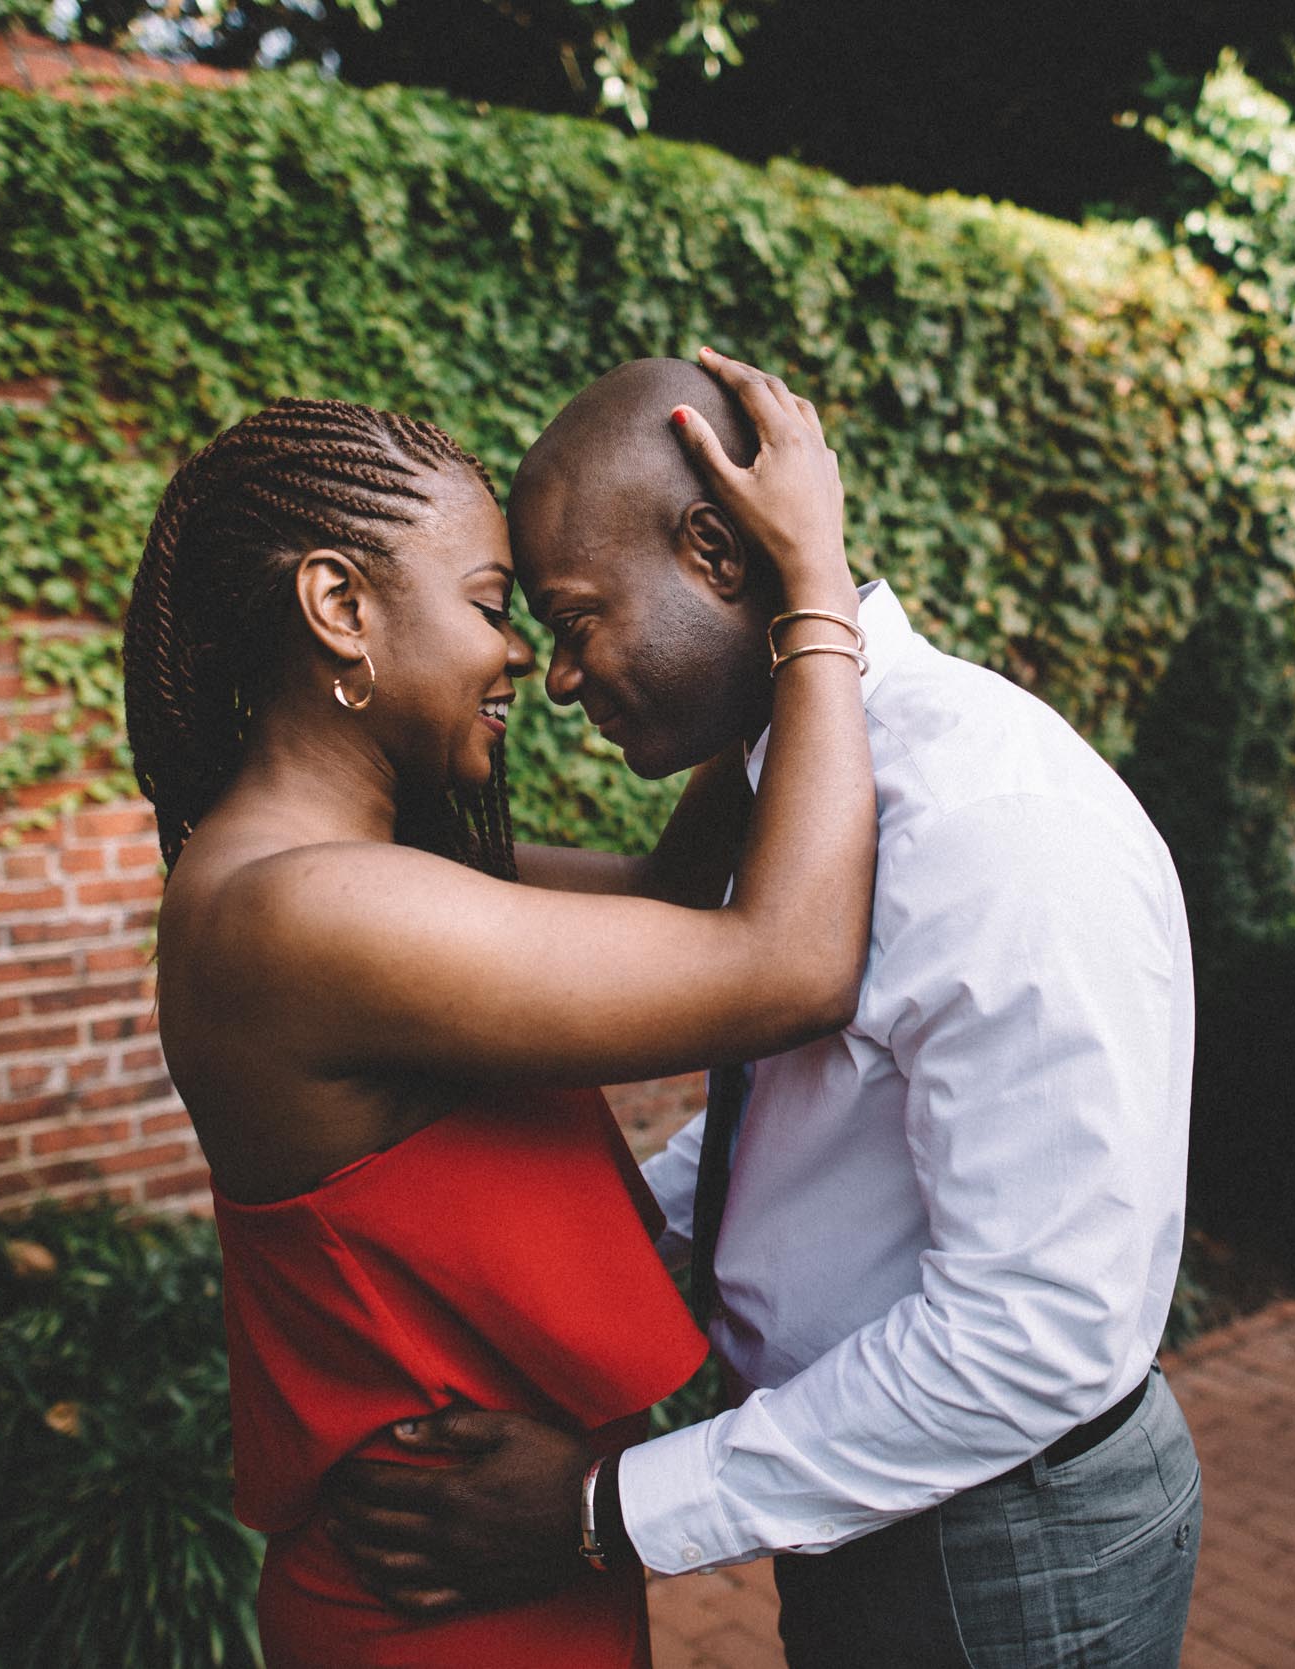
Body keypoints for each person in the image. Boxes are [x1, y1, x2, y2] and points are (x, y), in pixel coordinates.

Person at [326, 357, 1203, 1667]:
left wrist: (600, 1511)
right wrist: (584, 1266)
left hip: (997, 1539)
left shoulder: (986, 824)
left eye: (578, 619)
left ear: (715, 550)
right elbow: (800, 1136)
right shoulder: (798, 790)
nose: (561, 680)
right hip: (866, 1499)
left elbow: (1037, 1332)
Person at [125, 351, 875, 1668]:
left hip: (494, 1565)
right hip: (443, 1616)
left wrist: (737, 638)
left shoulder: (344, 875)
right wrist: (816, 585)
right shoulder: (306, 914)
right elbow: (786, 963)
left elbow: (671, 889)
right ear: (340, 606)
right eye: (487, 602)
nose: (522, 651)